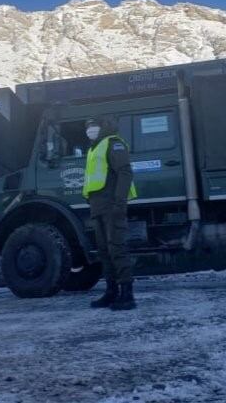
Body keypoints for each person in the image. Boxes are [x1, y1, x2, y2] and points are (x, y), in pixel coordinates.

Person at [82, 116, 137, 310]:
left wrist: (119, 203)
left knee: (116, 248)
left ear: (102, 127)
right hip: (98, 207)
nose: (90, 129)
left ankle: (127, 295)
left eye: (93, 125)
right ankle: (111, 292)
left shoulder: (113, 144)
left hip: (112, 206)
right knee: (105, 252)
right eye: (88, 127)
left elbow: (125, 172)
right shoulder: (93, 148)